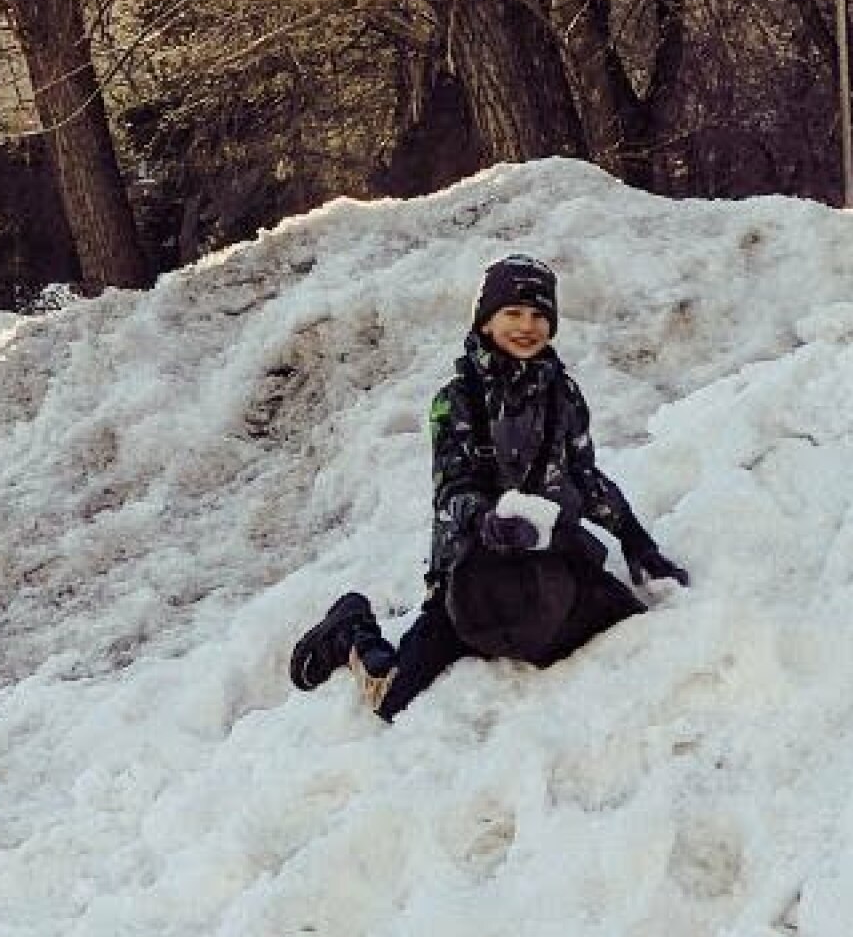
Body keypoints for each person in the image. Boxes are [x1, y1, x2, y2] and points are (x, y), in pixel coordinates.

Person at [287, 254, 688, 723]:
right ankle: (350, 628)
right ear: (485, 321)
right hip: (471, 569)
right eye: (512, 313)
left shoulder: (564, 395)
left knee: (638, 629)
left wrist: (637, 542)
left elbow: (585, 477)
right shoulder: (456, 400)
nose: (527, 326)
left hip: (551, 558)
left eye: (538, 315)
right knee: (392, 698)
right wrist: (485, 519)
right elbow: (452, 491)